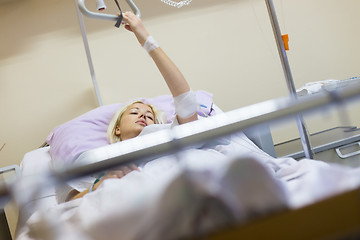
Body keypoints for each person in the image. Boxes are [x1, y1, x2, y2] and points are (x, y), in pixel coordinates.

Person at [71, 11, 198, 200]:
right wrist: (97, 186)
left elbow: (185, 99)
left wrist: (145, 38)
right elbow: (68, 203)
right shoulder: (97, 157)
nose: (144, 115)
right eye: (135, 111)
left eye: (149, 115)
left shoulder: (166, 133)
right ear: (117, 129)